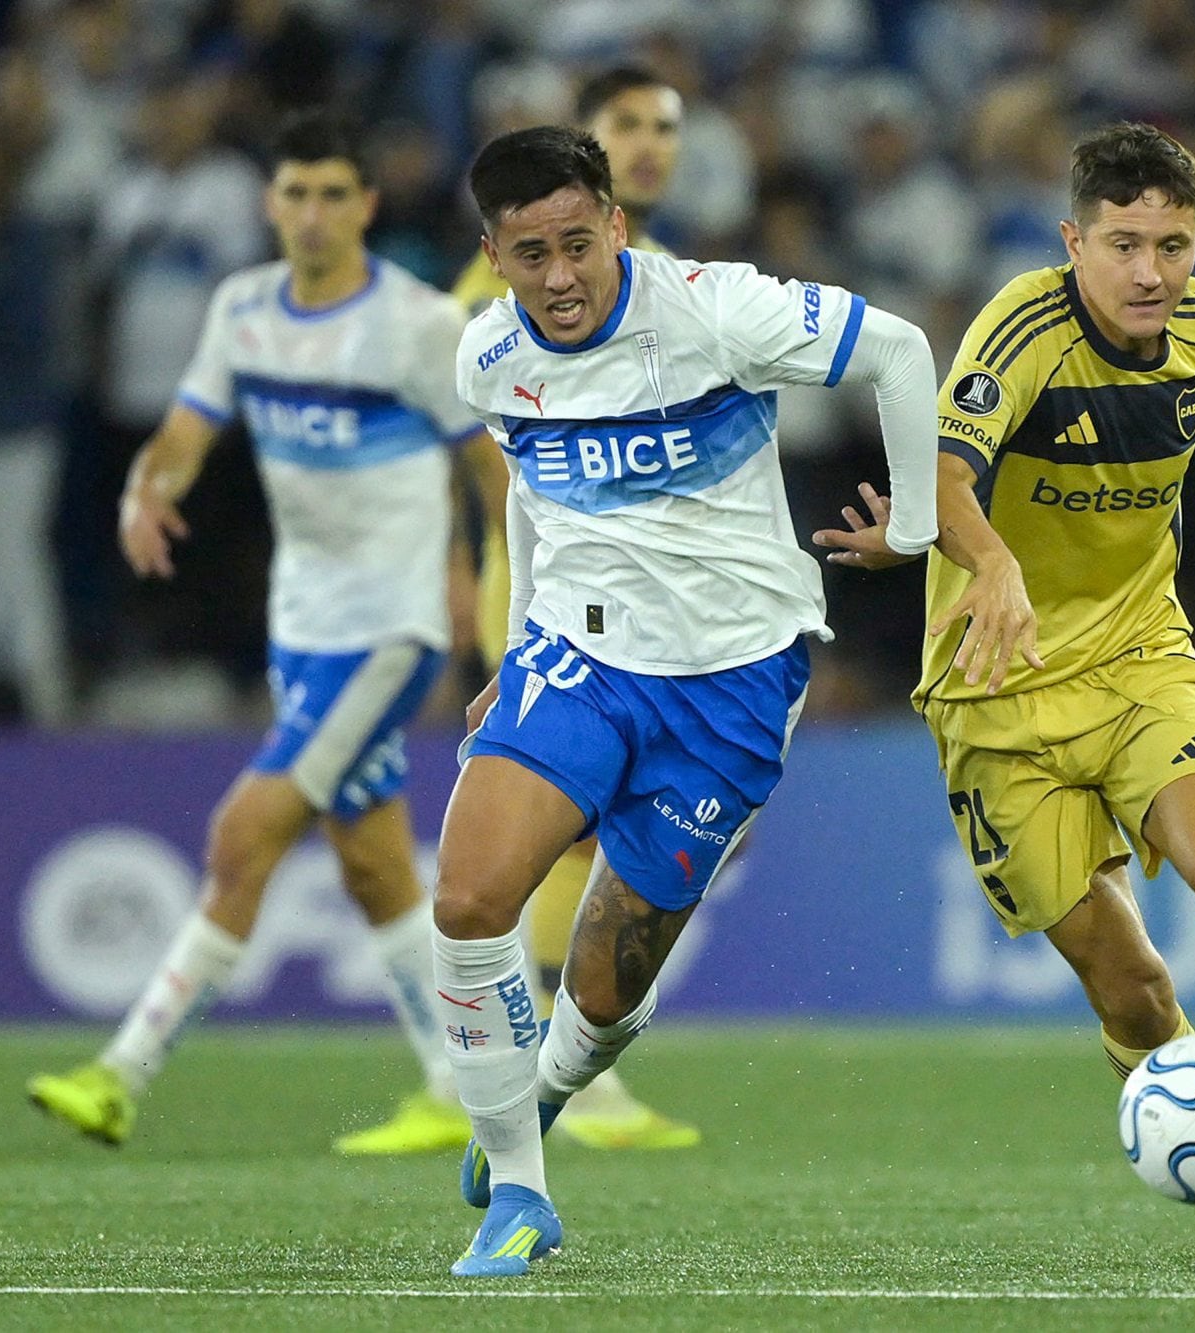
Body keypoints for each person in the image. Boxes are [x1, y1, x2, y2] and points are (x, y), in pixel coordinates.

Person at [815, 122, 1195, 1274]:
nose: (1149, 271)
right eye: (1123, 244)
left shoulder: (1193, 326)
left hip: (1139, 656)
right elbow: (946, 465)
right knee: (1128, 982)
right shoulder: (1022, 325)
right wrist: (974, 555)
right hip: (992, 686)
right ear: (1071, 239)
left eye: (1172, 245)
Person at [431, 125, 949, 1276]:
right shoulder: (485, 360)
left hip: (732, 680)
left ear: (615, 225)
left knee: (609, 988)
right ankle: (516, 1188)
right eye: (530, 255)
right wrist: (515, 650)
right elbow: (531, 493)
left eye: (578, 243)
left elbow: (904, 350)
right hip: (579, 661)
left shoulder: (718, 312)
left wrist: (913, 527)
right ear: (493, 254)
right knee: (468, 900)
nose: (559, 277)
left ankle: (550, 1088)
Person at [27, 111, 503, 1156]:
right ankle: (459, 1087)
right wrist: (144, 496)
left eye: (336, 194)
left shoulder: (417, 324)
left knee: (242, 835)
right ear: (269, 204)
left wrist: (481, 577)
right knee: (375, 868)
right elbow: (187, 432)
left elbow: (486, 465)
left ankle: (119, 1074)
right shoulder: (242, 308)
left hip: (390, 630)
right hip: (302, 628)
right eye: (296, 193)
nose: (314, 214)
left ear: (366, 207)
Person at [450, 64, 702, 1152]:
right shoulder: (495, 300)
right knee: (561, 839)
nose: (649, 144)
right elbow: (488, 472)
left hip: (654, 594)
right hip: (547, 588)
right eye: (625, 127)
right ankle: (558, 1079)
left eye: (663, 127)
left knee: (625, 835)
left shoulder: (658, 284)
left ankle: (559, 1065)